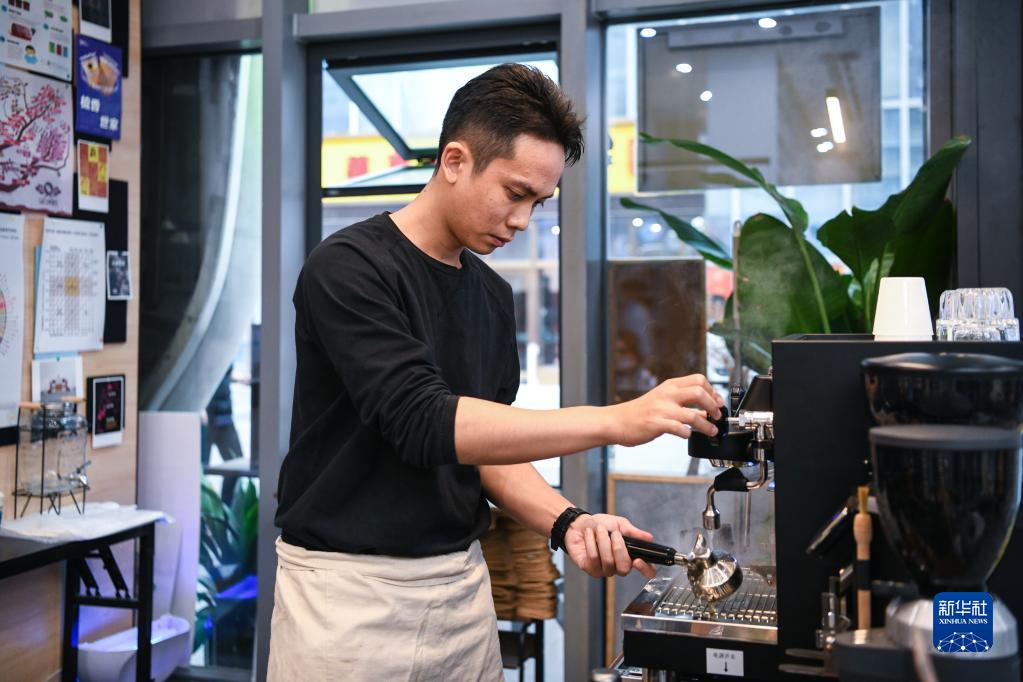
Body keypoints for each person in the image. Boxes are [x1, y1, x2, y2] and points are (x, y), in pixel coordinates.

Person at [267, 63, 723, 681]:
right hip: (347, 596)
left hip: (460, 586)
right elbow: (425, 423)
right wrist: (618, 420)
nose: (523, 221)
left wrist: (568, 521)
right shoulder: (348, 266)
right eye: (514, 193)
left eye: (538, 202)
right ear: (455, 160)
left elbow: (483, 454)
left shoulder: (490, 294)